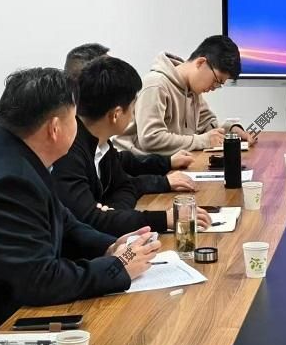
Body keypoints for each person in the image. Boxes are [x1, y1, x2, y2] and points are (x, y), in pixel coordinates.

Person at [0, 68, 160, 345]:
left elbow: (64, 219)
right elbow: (40, 281)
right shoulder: (5, 180)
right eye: (74, 118)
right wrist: (118, 267)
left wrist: (110, 246)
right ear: (55, 128)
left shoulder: (14, 154)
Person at [52, 56, 211, 236]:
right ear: (116, 114)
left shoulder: (101, 144)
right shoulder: (67, 153)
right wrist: (163, 219)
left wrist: (114, 214)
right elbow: (90, 221)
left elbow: (126, 186)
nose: (134, 114)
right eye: (133, 107)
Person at [63, 42, 196, 195]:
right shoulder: (68, 145)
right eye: (109, 70)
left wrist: (167, 162)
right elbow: (99, 203)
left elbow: (121, 169)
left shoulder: (97, 137)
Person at [116, 35, 256, 154]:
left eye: (219, 84)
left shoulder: (192, 90)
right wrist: (202, 141)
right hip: (135, 169)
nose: (214, 88)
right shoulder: (156, 85)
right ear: (201, 62)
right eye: (216, 81)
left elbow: (207, 124)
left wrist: (231, 131)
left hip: (169, 165)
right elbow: (150, 139)